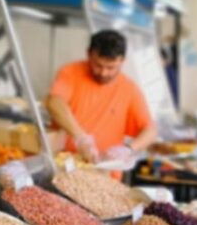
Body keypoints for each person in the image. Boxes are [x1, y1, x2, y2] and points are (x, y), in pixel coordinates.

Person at [46, 30, 156, 165]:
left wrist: (129, 149)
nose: (104, 73)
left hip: (107, 171)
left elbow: (150, 130)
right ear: (89, 54)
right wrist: (81, 138)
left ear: (122, 61)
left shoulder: (129, 88)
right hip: (65, 165)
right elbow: (54, 103)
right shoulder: (70, 72)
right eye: (98, 65)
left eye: (111, 67)